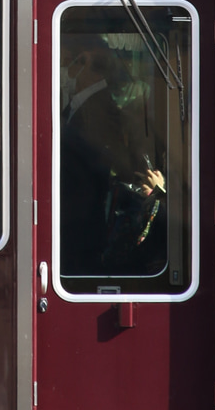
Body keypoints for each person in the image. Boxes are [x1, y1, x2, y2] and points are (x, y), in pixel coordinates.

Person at [59, 35, 163, 276]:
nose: (62, 69)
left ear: (83, 63)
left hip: (85, 223)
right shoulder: (80, 103)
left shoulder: (99, 109)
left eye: (66, 62)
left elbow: (112, 164)